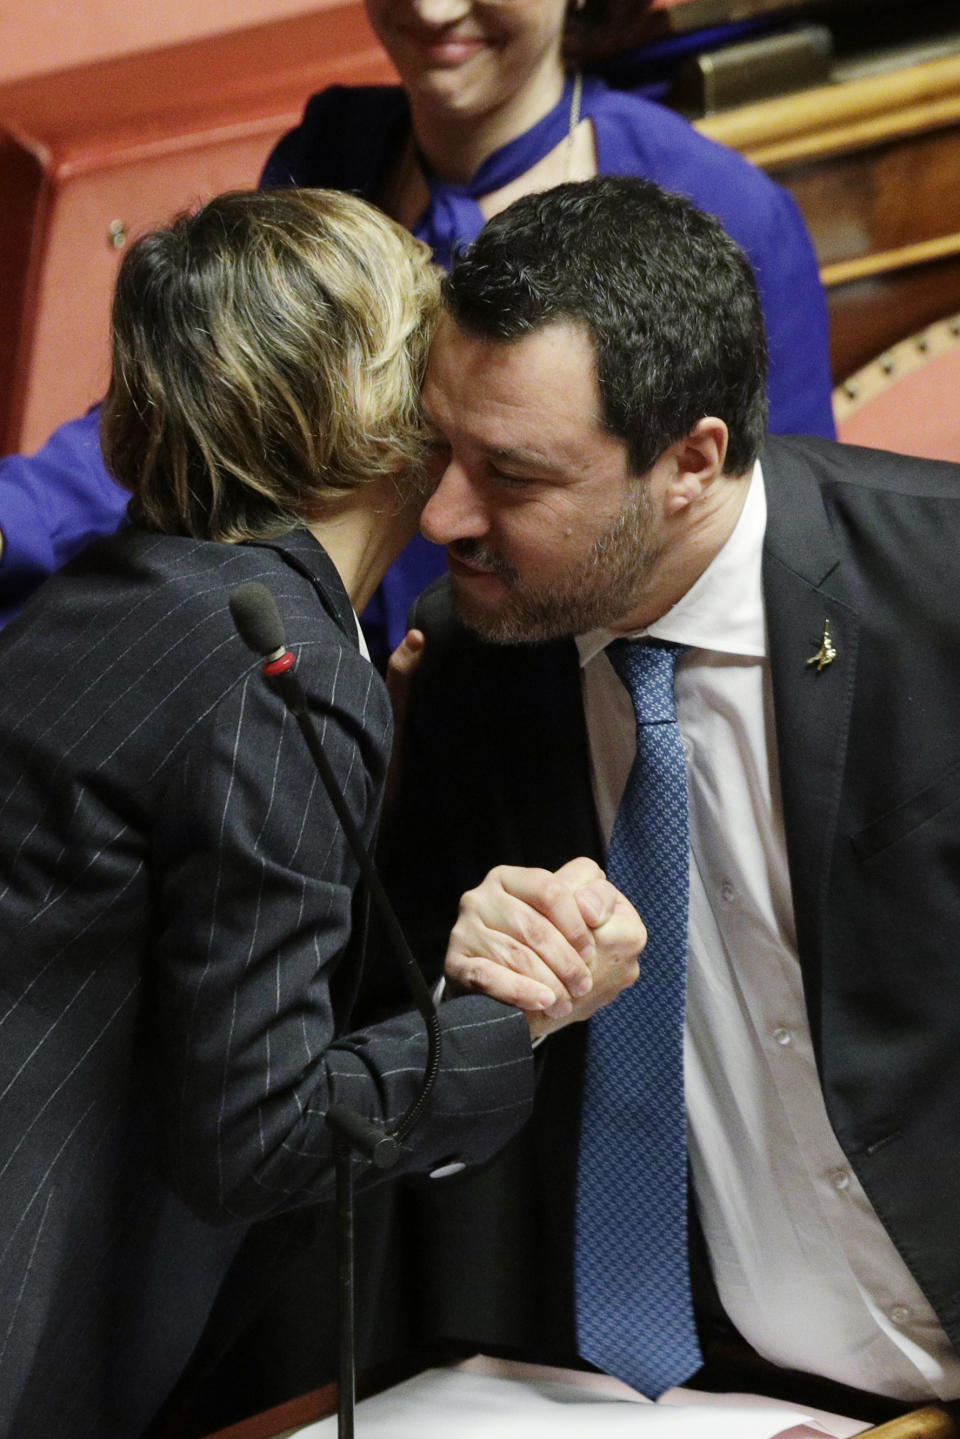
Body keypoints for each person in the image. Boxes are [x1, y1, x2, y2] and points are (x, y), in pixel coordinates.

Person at [0, 187, 645, 1439]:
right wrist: (517, 1012)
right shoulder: (276, 662)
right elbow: (255, 1135)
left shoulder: (110, 597)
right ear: (391, 409)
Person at [383, 175, 960, 1425]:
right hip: (698, 1397)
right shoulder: (474, 664)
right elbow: (402, 1107)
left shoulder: (942, 596)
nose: (440, 516)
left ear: (692, 459)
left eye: (512, 474)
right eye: (442, 450)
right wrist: (468, 993)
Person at [0, 0, 835, 664]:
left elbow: (775, 547)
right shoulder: (336, 149)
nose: (432, 10)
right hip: (320, 667)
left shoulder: (724, 211)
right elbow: (199, 428)